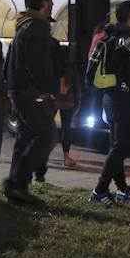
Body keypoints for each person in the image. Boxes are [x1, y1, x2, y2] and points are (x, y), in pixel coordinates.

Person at [2, 0, 60, 204]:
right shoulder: (37, 27)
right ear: (43, 2)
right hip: (29, 92)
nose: (53, 4)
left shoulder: (23, 25)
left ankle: (17, 190)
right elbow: (37, 64)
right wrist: (47, 91)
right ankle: (16, 183)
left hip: (18, 90)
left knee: (25, 138)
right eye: (51, 0)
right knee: (48, 135)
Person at [90, 0, 130, 205]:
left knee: (116, 146)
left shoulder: (111, 35)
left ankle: (122, 189)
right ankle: (100, 190)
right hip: (126, 101)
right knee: (121, 147)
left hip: (110, 98)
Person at [35, 45, 80, 182]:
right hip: (68, 103)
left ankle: (43, 156)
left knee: (48, 128)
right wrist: (77, 105)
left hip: (52, 101)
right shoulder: (72, 68)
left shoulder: (52, 67)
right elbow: (77, 88)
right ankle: (66, 158)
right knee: (66, 129)